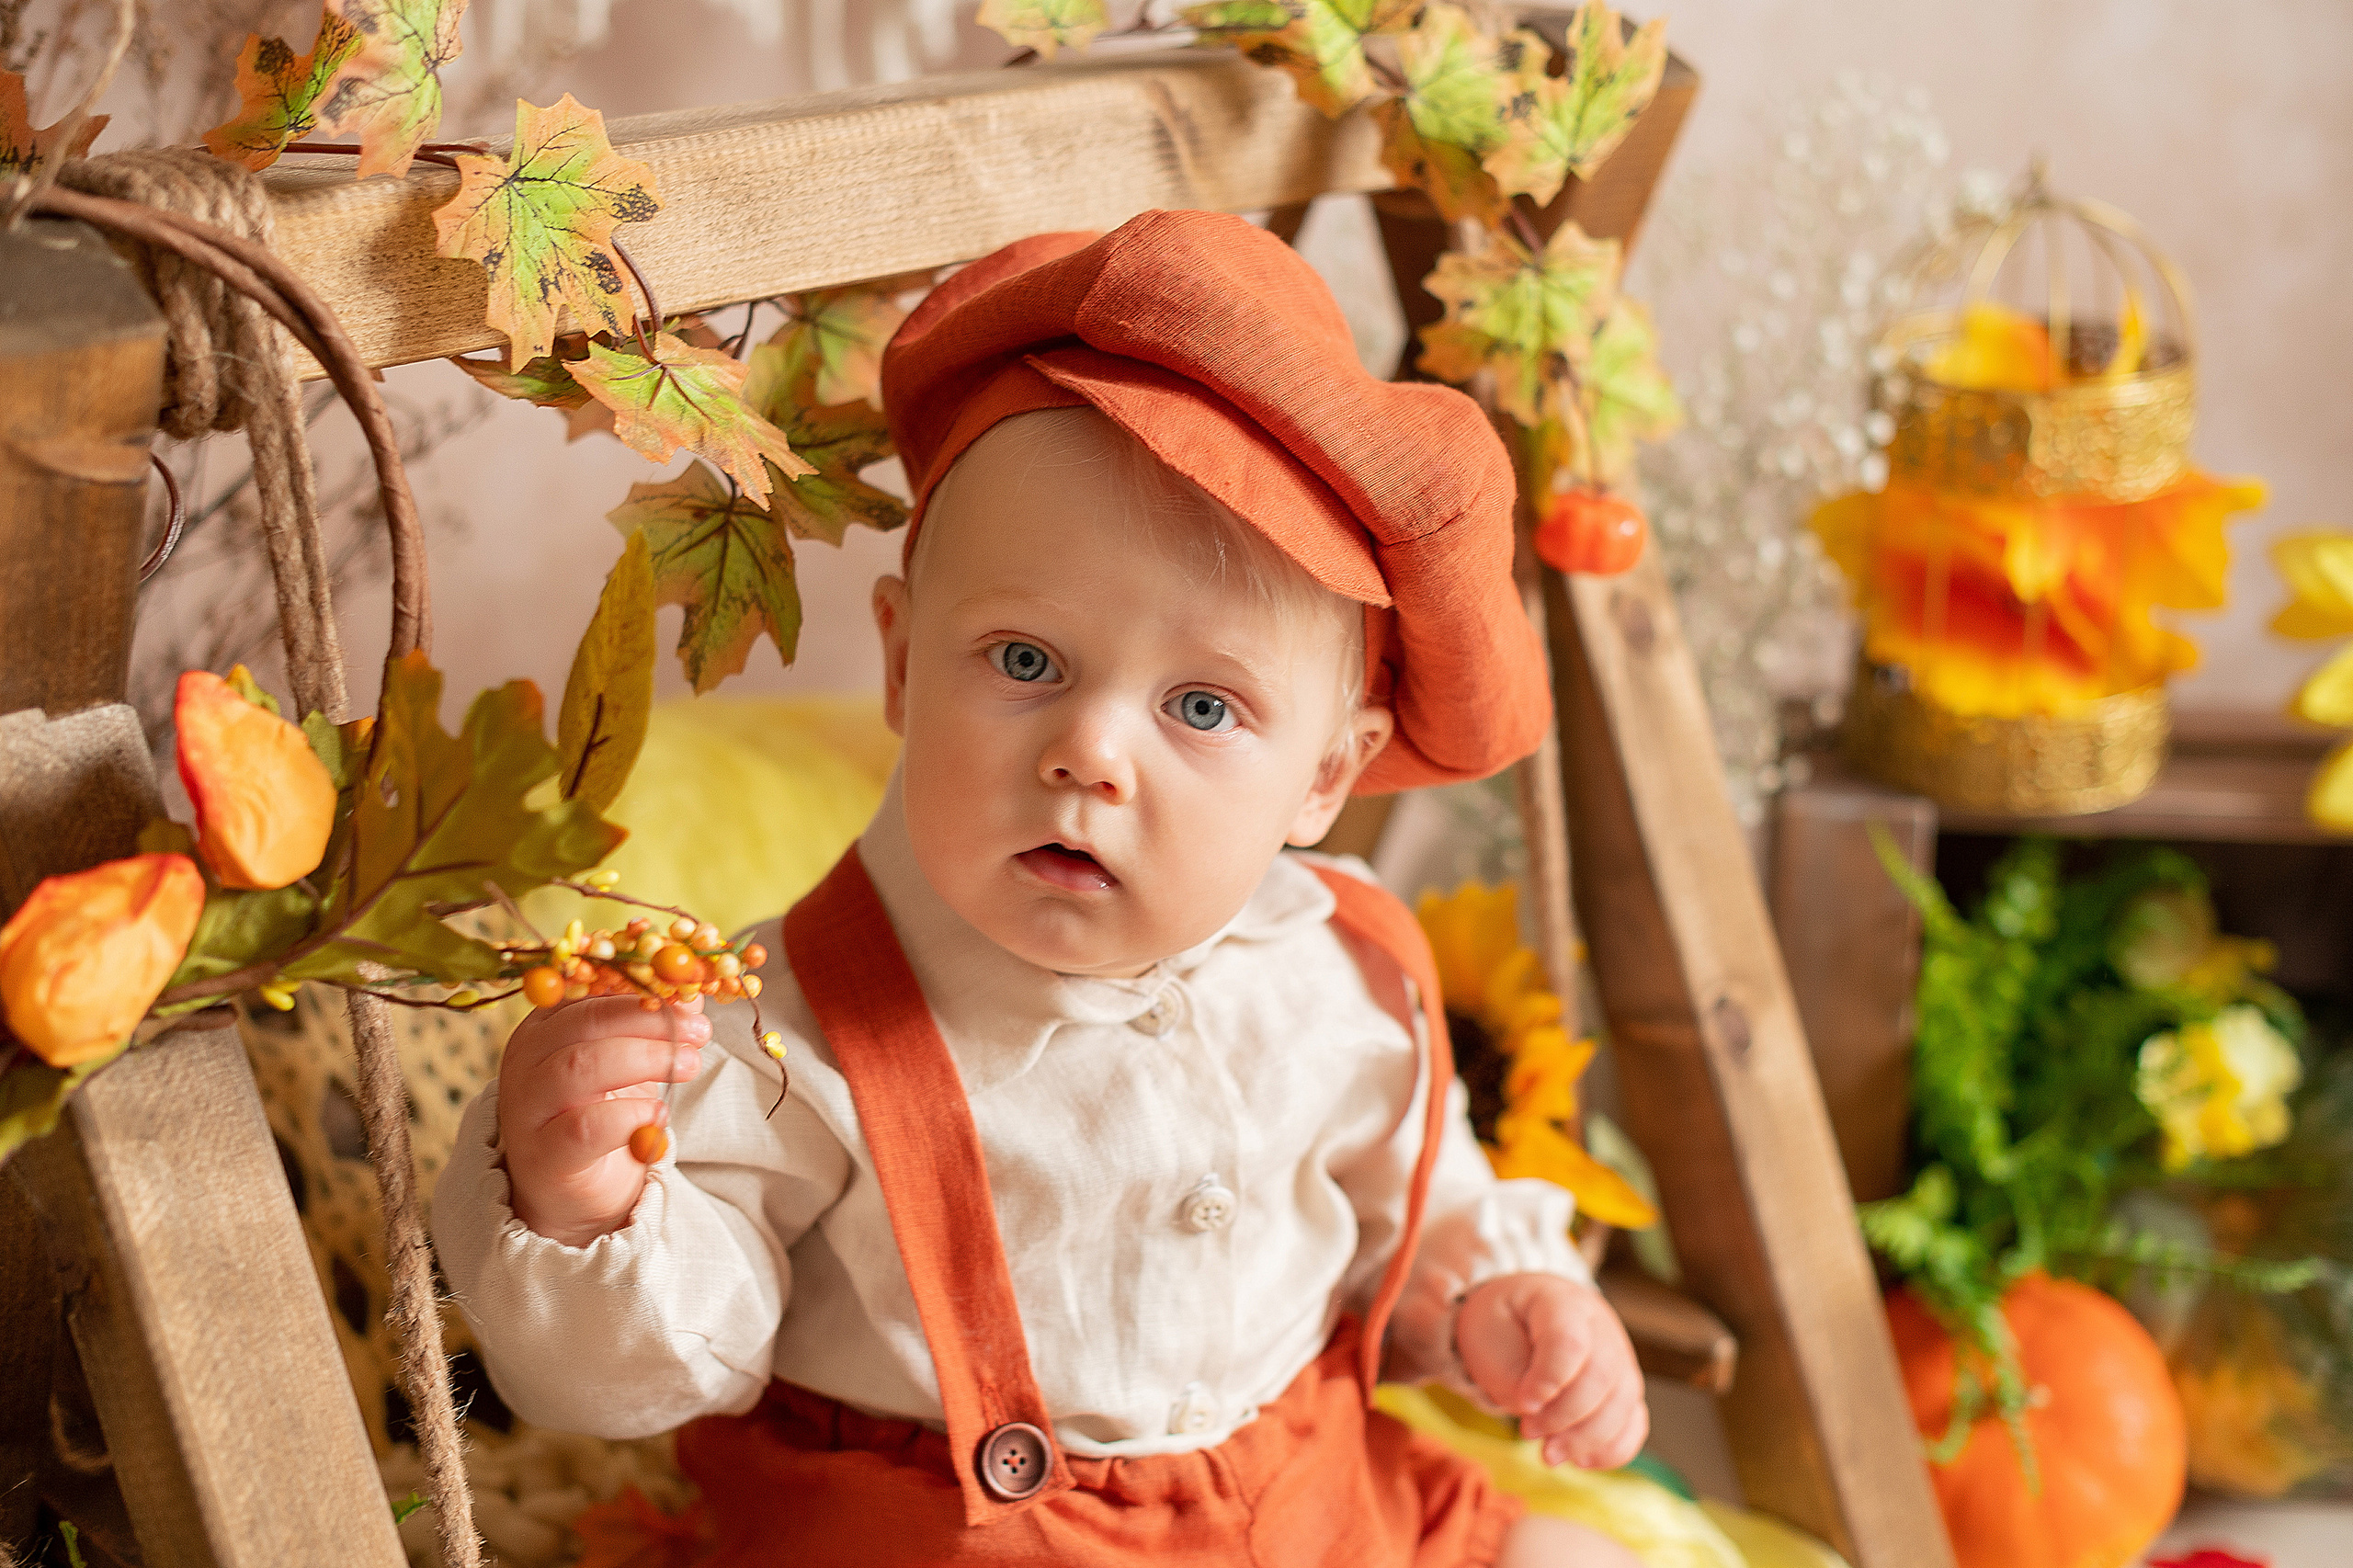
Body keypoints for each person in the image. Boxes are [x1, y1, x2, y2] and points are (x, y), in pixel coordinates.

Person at [435, 210, 1647, 1566]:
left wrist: (1496, 1300)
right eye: (1024, 661)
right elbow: (655, 1367)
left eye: (1201, 703)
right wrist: (589, 1201)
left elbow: (1398, 1210)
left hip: (1312, 1497)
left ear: (1324, 778)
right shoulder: (788, 1027)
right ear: (900, 663)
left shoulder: (1338, 972)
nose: (1089, 749)